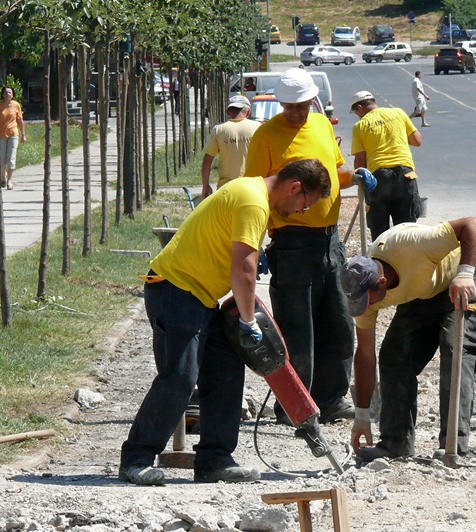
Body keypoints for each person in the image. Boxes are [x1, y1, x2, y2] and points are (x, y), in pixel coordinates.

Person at [119, 159, 332, 486]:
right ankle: (136, 459)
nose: (303, 210)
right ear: (294, 187)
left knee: (226, 369)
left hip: (199, 298)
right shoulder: (252, 201)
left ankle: (214, 460)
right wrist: (248, 322)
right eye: (306, 203)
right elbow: (244, 268)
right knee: (179, 377)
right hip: (175, 290)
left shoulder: (252, 196)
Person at [244, 68, 377, 425]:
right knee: (296, 329)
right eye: (289, 107)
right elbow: (253, 194)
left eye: (301, 106)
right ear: (280, 103)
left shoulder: (319, 126)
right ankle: (293, 405)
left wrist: (354, 177)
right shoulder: (266, 137)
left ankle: (331, 399)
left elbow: (334, 173)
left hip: (330, 241)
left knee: (338, 324)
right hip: (292, 244)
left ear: (312, 101)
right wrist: (255, 246)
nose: (296, 113)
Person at [340, 218, 476, 462]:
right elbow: (366, 354)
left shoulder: (413, 245)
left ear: (382, 283)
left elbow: (472, 224)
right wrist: (361, 416)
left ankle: (453, 444)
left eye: (368, 300)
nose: (365, 307)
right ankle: (395, 443)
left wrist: (465, 273)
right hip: (422, 291)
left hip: (460, 279)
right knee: (393, 356)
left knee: (456, 348)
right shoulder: (364, 294)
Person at [350, 90, 423, 241]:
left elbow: (360, 161)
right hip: (406, 176)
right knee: (407, 231)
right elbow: (417, 141)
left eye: (356, 112)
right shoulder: (398, 113)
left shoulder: (360, 125)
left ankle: (382, 262)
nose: (357, 115)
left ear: (360, 108)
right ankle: (406, 263)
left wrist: (361, 182)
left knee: (380, 233)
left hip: (379, 178)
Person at [200, 95, 260, 198]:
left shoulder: (219, 130)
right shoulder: (258, 128)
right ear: (248, 112)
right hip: (253, 187)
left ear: (228, 112)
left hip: (226, 189)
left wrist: (205, 186)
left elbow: (207, 161)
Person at [0, 85, 27, 190]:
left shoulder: (16, 105)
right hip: (1, 135)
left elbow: (20, 121)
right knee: (1, 159)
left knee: (11, 158)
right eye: (5, 92)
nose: (7, 94)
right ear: (3, 95)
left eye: (9, 92)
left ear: (13, 94)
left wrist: (23, 134)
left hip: (13, 134)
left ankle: (9, 180)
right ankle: (2, 177)